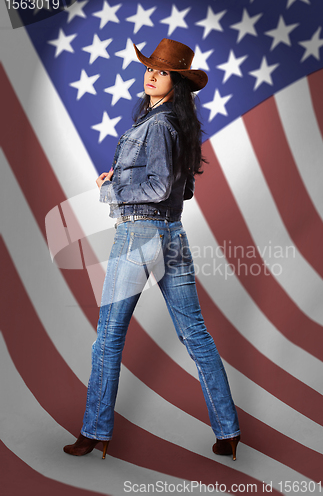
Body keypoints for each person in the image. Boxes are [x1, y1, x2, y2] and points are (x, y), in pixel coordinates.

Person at [63, 38, 240, 461]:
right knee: (195, 334)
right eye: (150, 68)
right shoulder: (175, 123)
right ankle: (228, 431)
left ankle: (96, 431)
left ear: (175, 82)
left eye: (162, 72)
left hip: (140, 234)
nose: (151, 75)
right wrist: (127, 178)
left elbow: (158, 188)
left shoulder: (157, 125)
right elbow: (184, 190)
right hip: (171, 234)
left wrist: (112, 187)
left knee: (108, 338)